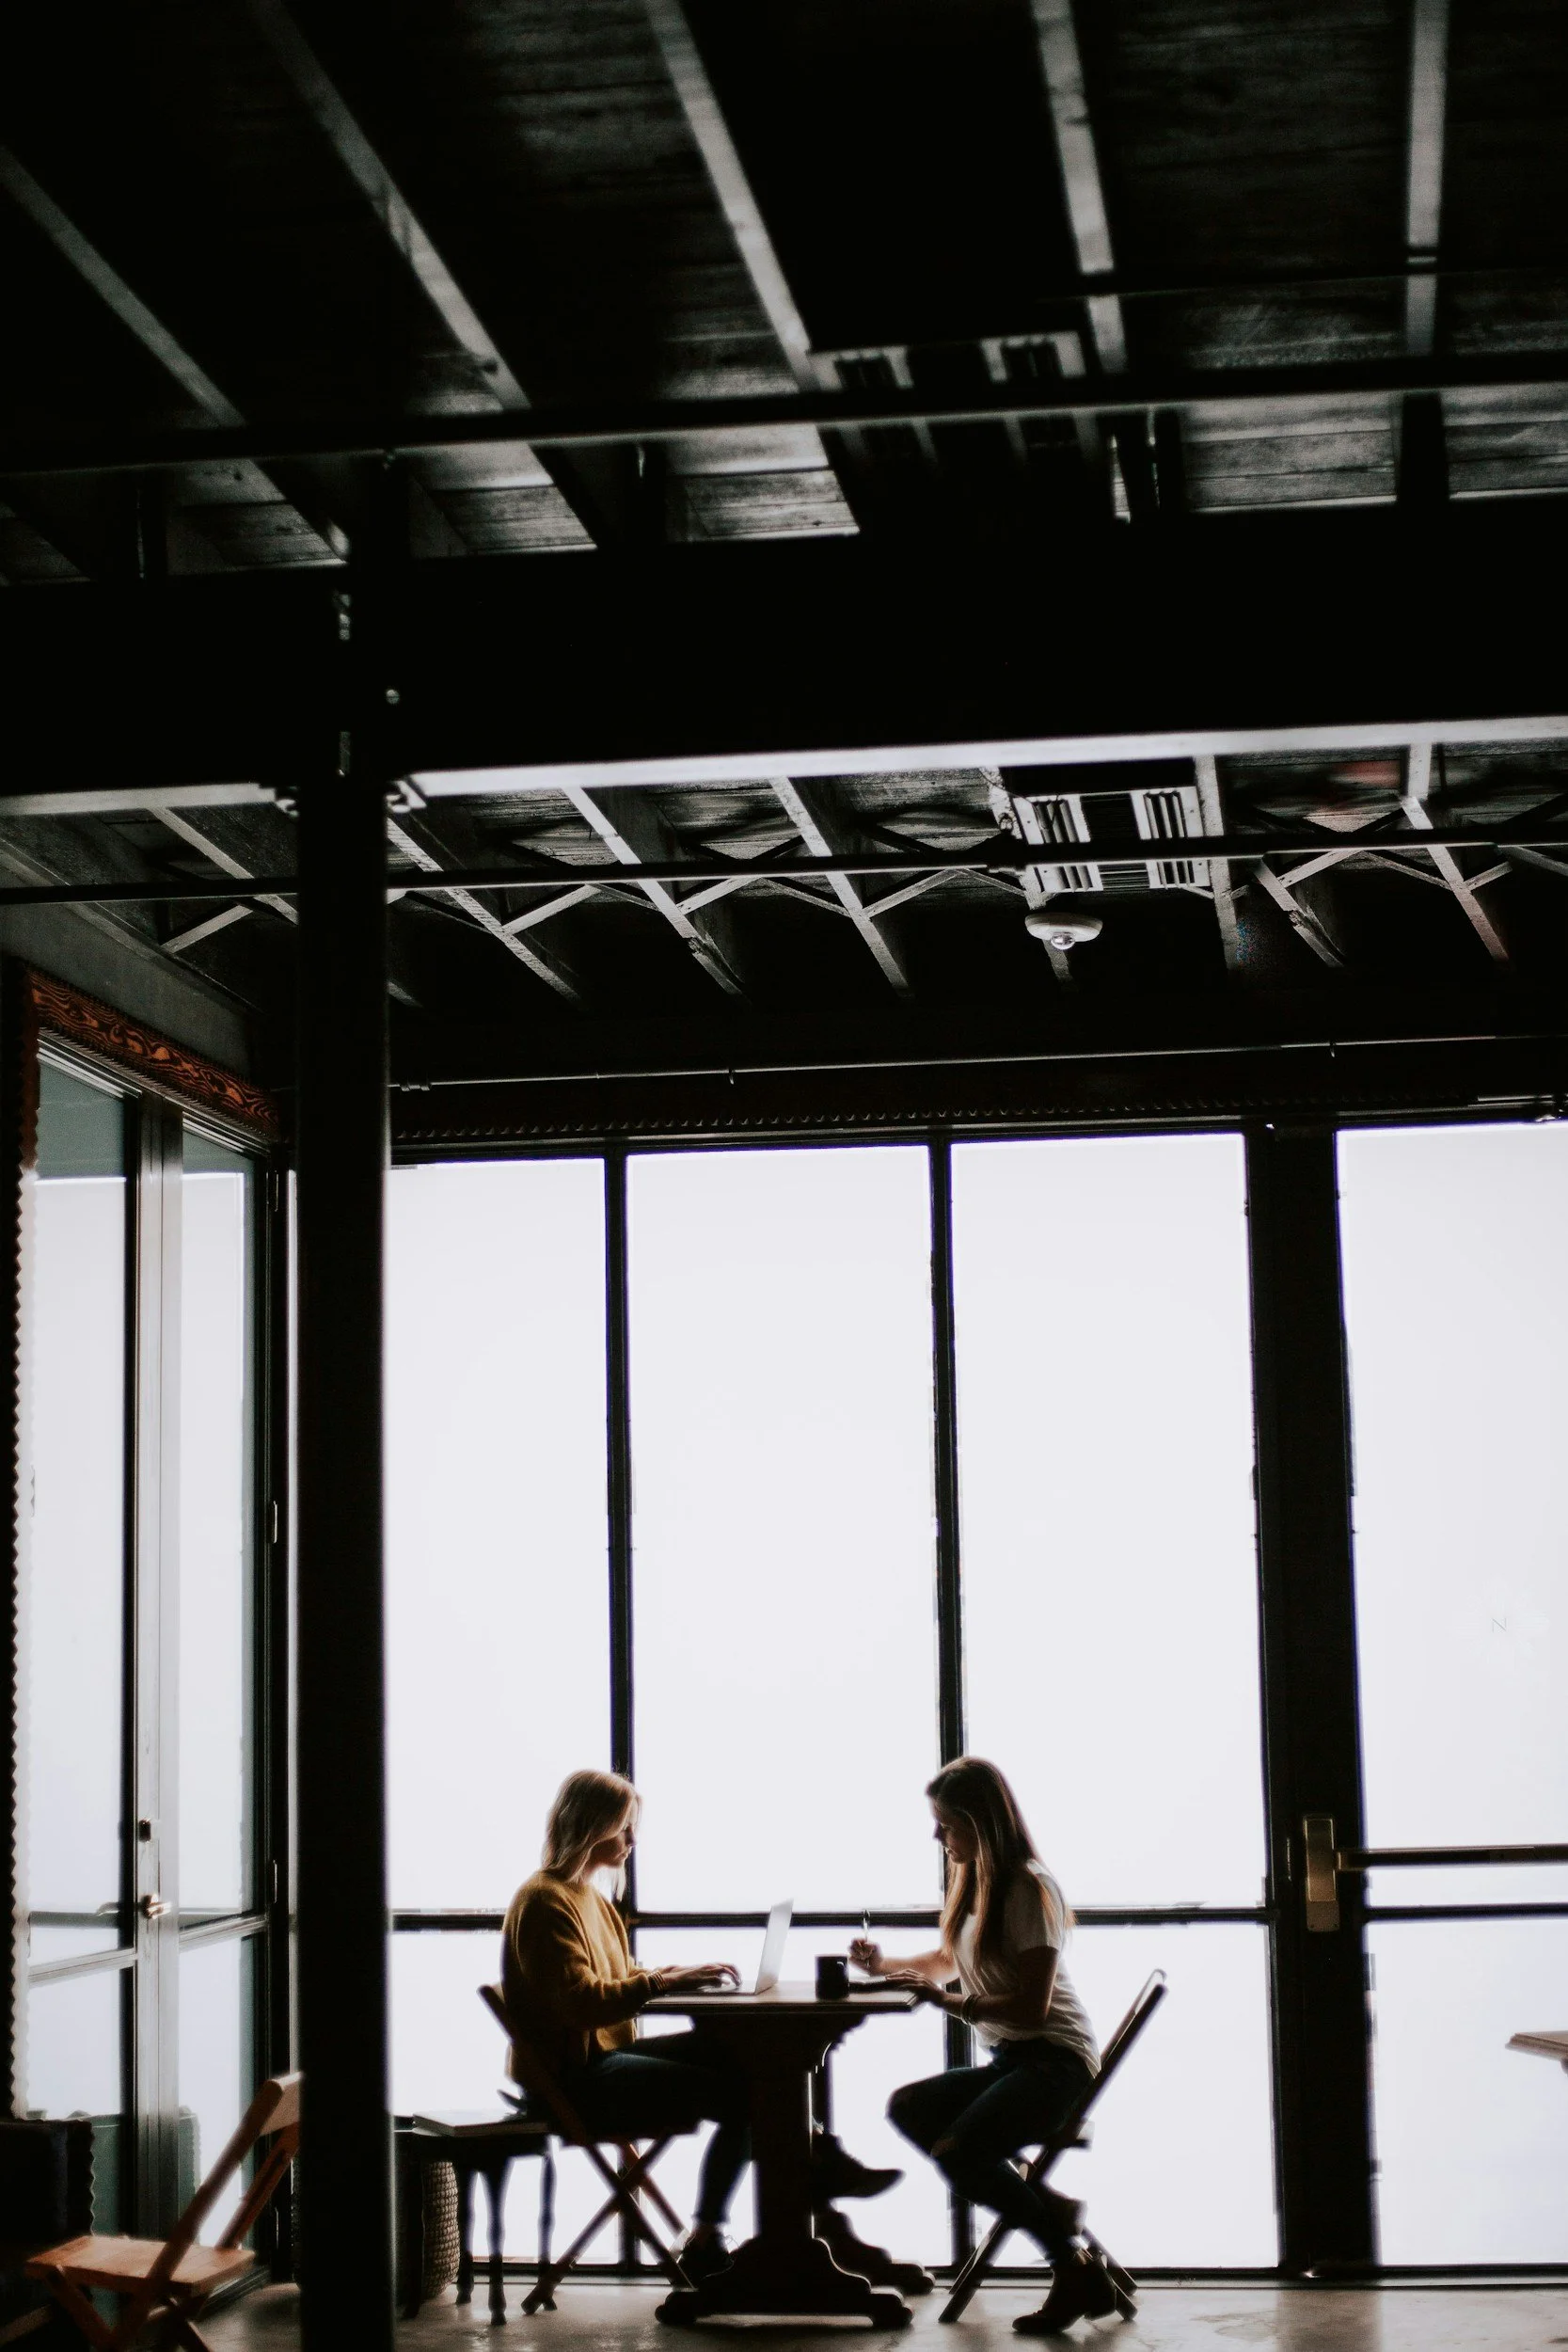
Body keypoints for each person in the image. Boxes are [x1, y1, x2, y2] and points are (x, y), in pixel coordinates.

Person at [503, 1768, 895, 2282]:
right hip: (573, 2080)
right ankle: (752, 2215)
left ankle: (812, 2174)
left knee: (745, 2058)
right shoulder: (545, 1901)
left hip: (598, 2061)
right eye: (623, 1827)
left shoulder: (590, 1898)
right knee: (750, 2092)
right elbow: (581, 2003)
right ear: (590, 1826)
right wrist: (665, 1984)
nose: (632, 1840)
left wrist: (677, 1975)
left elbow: (618, 1980)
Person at [851, 1756, 1115, 2335]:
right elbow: (949, 1963)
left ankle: (1068, 2263)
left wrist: (942, 2001)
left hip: (1057, 2062)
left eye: (946, 1823)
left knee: (959, 2152)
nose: (936, 1835)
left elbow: (1031, 2007)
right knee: (909, 2107)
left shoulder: (1028, 1888)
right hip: (1014, 2060)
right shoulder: (978, 1883)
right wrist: (885, 1967)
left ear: (980, 1822)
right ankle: (1054, 2212)